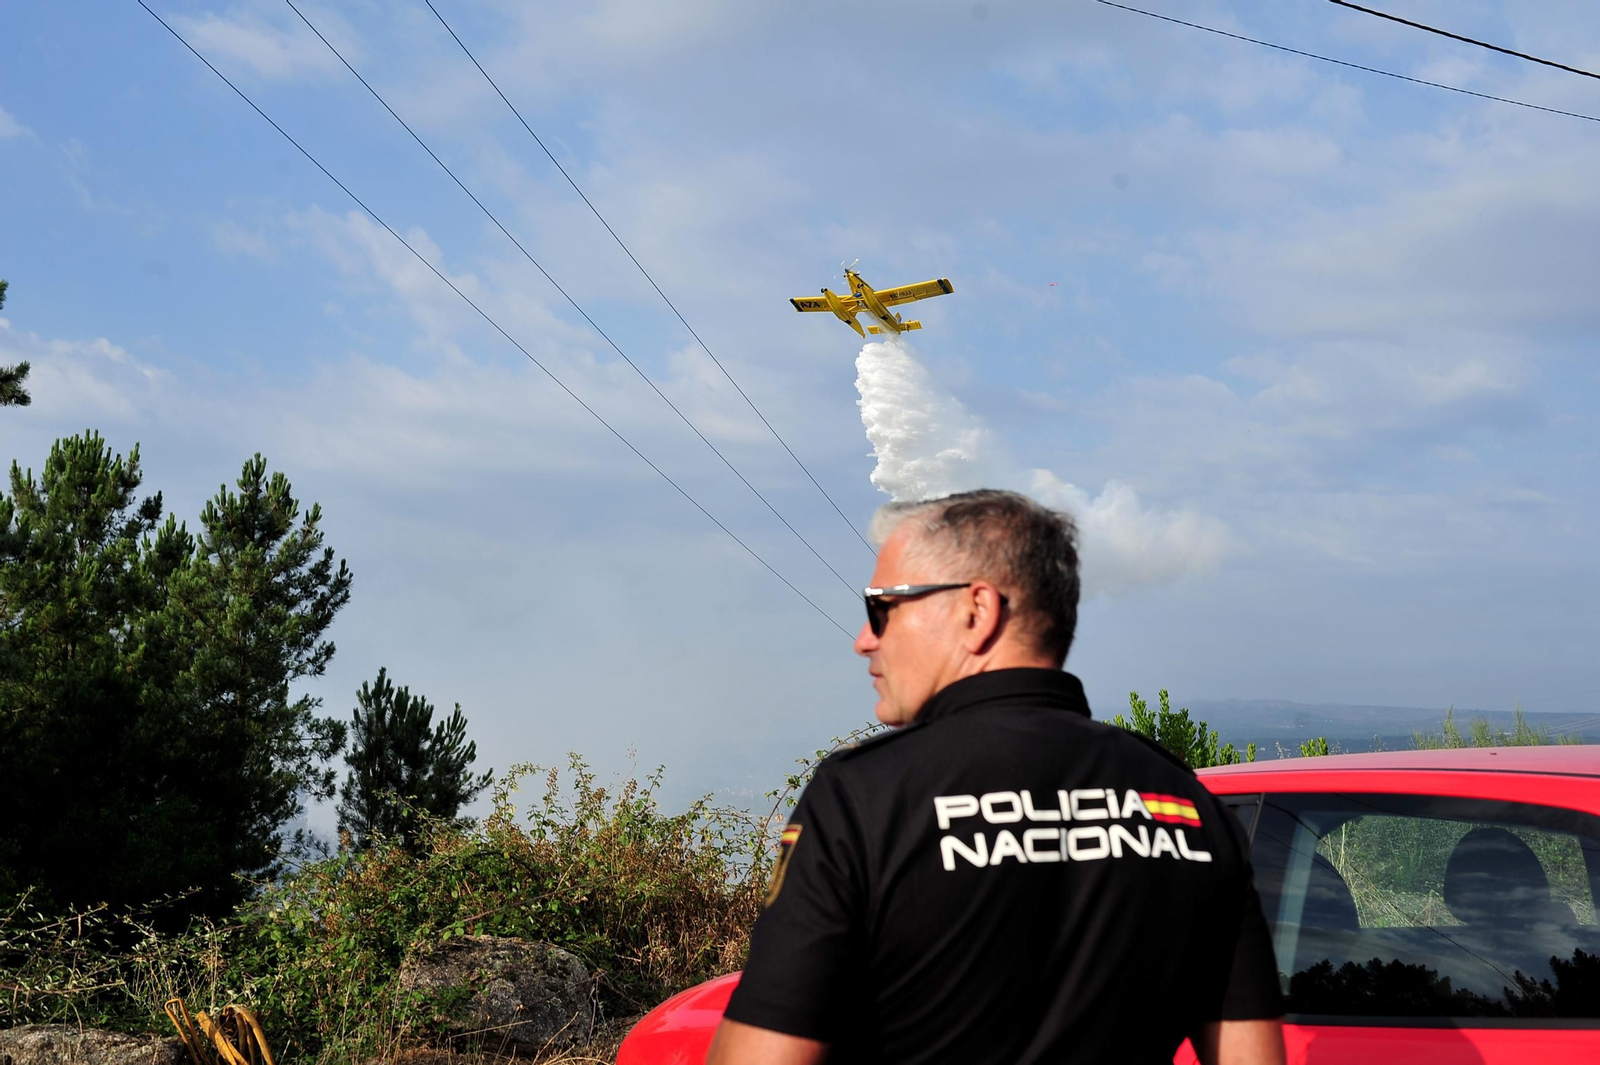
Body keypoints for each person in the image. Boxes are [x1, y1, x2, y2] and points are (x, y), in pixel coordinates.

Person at [706, 489, 1284, 1065]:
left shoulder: (863, 797)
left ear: (976, 611)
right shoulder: (1188, 802)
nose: (865, 639)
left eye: (882, 608)